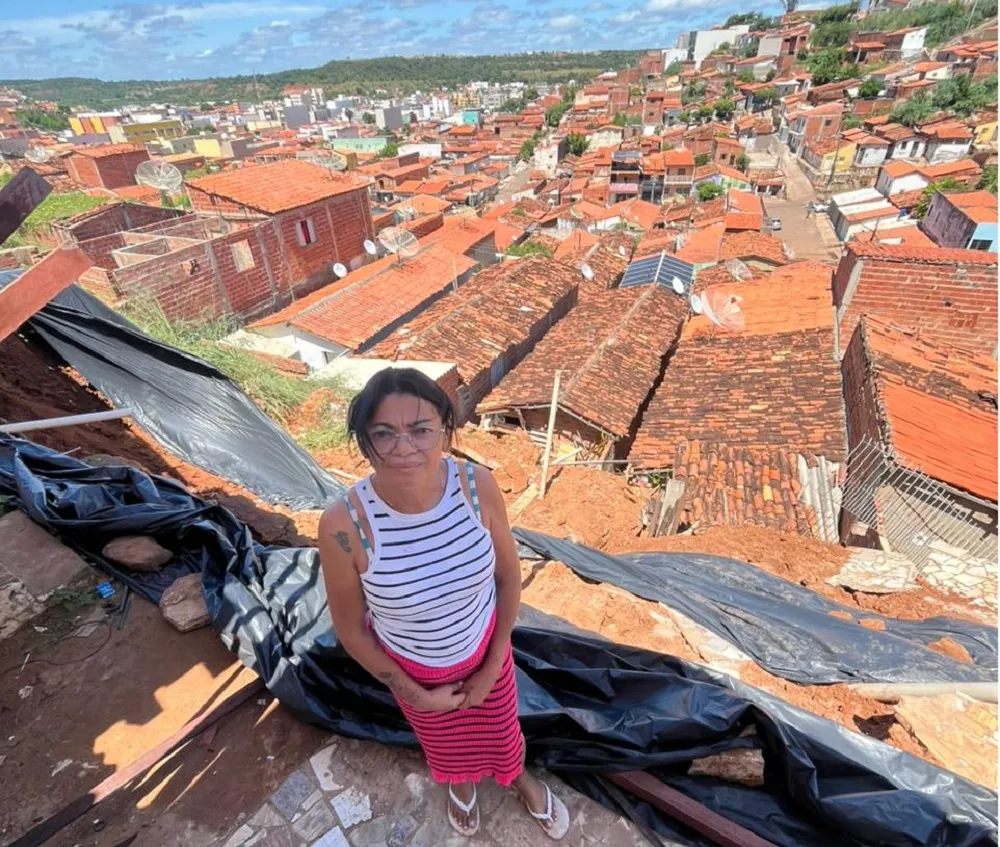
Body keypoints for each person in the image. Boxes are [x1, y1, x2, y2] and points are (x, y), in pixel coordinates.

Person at [318, 368, 569, 839]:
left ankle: (519, 779)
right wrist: (417, 695)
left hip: (485, 651)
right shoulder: (344, 526)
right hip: (413, 670)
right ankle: (461, 784)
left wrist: (494, 662)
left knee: (501, 730)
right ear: (365, 442)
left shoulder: (478, 488)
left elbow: (508, 577)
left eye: (421, 429)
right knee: (442, 741)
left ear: (446, 433)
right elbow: (351, 630)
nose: (404, 446)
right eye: (384, 433)